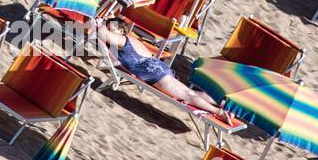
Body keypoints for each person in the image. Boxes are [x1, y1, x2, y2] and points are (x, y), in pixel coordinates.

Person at [93, 18, 229, 118]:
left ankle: (218, 112)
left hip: (153, 73)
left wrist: (101, 24)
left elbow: (103, 35)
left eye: (111, 28)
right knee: (189, 92)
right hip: (158, 68)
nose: (109, 30)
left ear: (121, 30)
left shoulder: (122, 39)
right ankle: (223, 103)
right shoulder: (130, 39)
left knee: (187, 96)